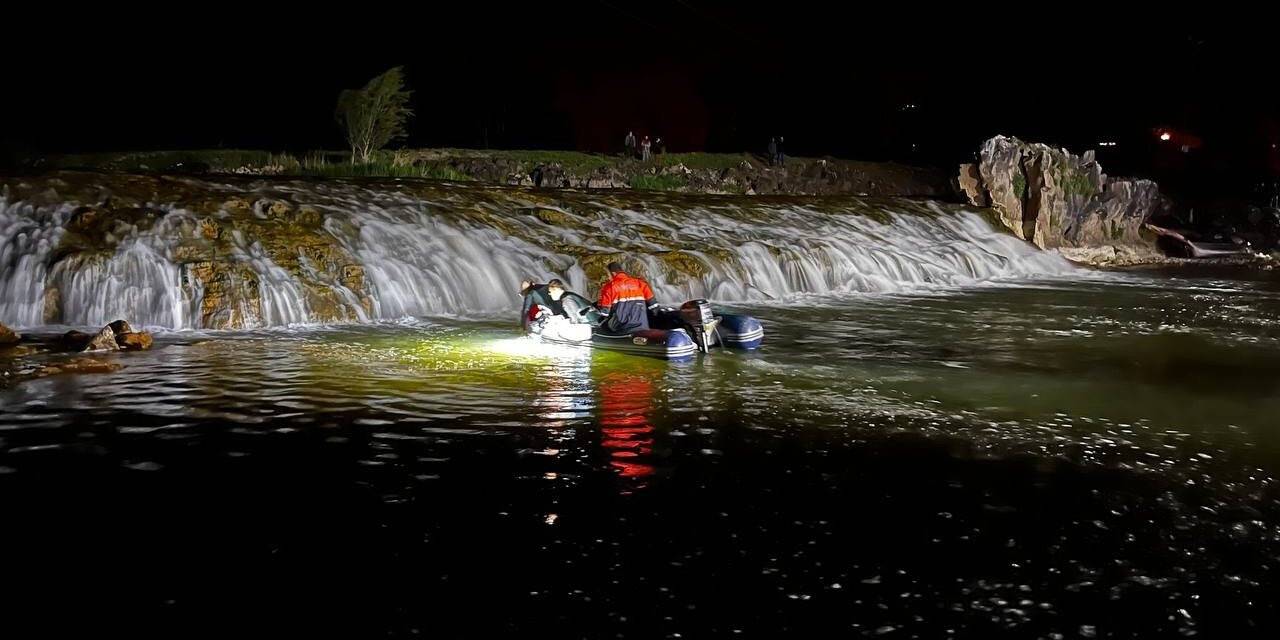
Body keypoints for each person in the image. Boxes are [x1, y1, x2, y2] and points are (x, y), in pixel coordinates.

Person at [596, 261, 656, 334]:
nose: (608, 277)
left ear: (613, 273)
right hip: (642, 328)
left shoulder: (609, 287)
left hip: (621, 329)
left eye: (608, 274)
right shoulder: (641, 284)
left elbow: (605, 313)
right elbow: (654, 307)